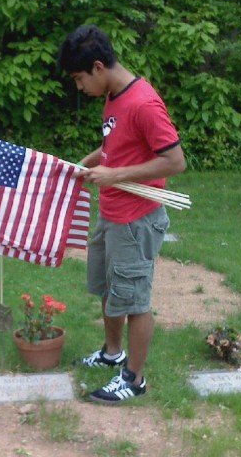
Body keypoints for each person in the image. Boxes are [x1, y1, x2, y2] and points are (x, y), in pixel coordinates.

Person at [57, 24, 186, 404]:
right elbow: (115, 146)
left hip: (136, 218)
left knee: (134, 299)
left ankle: (134, 379)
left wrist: (113, 175)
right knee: (109, 288)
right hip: (111, 212)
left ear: (98, 67)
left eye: (79, 79)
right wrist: (86, 164)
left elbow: (174, 161)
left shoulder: (143, 103)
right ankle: (113, 353)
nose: (80, 87)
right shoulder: (114, 96)